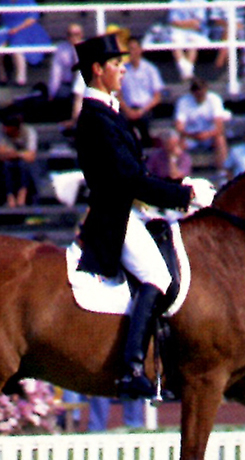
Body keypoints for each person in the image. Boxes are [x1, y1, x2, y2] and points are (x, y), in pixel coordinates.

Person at [72, 33, 196, 399]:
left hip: (132, 212)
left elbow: (136, 174)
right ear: (97, 70)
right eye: (116, 65)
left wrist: (181, 186)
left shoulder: (109, 110)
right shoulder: (95, 117)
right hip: (115, 216)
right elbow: (129, 179)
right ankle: (130, 368)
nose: (123, 69)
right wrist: (183, 196)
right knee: (157, 275)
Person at [0, 0, 51, 87]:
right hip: (7, 28)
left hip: (26, 28)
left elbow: (32, 19)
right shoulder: (3, 2)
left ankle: (20, 78)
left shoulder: (28, 2)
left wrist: (17, 29)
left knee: (17, 45)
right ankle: (2, 76)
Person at [174, 76, 230, 169]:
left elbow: (220, 127)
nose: (200, 95)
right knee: (178, 143)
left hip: (210, 136)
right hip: (191, 136)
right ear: (192, 92)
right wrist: (192, 135)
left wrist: (207, 135)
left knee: (220, 139)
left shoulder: (214, 99)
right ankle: (179, 171)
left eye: (202, 92)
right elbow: (179, 127)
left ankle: (222, 171)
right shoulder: (183, 101)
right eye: (197, 93)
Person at [119, 37, 165, 148]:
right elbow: (117, 94)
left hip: (145, 109)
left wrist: (142, 110)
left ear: (140, 50)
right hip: (128, 109)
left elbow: (157, 96)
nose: (132, 52)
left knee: (144, 123)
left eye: (134, 49)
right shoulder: (122, 70)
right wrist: (127, 110)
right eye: (129, 49)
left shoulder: (150, 69)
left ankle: (147, 150)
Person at [0, 112, 40, 207]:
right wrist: (21, 154)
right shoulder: (3, 133)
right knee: (6, 165)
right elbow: (0, 154)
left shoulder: (29, 132)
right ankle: (10, 197)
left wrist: (15, 153)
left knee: (24, 165)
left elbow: (31, 156)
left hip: (26, 163)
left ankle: (22, 196)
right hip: (9, 161)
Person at [167, 0, 210, 82]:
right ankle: (187, 72)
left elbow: (198, 23)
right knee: (174, 40)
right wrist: (188, 24)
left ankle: (185, 72)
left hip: (197, 32)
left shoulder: (200, 2)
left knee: (192, 40)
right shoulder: (175, 2)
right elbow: (173, 22)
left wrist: (182, 24)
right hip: (179, 31)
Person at [48, 22, 84, 116]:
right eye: (70, 34)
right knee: (60, 97)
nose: (73, 37)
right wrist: (52, 92)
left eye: (76, 34)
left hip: (84, 85)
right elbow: (56, 72)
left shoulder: (89, 48)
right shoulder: (61, 49)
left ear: (81, 35)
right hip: (67, 84)